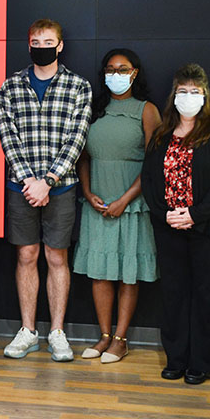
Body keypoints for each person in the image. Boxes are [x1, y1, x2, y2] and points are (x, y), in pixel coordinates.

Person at [0, 19, 92, 362]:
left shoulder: (78, 86)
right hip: (20, 187)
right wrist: (29, 181)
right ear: (28, 44)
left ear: (60, 45)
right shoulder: (10, 87)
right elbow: (7, 136)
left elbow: (77, 138)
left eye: (48, 41)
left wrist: (48, 181)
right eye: (36, 41)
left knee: (56, 257)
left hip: (62, 187)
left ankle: (57, 332)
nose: (42, 46)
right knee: (26, 256)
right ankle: (27, 331)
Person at [141, 63, 210, 385]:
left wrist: (194, 214)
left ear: (205, 95)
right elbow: (150, 179)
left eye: (194, 92)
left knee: (206, 295)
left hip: (209, 229)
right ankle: (177, 359)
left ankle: (201, 362)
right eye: (182, 91)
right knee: (174, 294)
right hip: (169, 228)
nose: (188, 97)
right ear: (174, 95)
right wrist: (164, 213)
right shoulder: (162, 134)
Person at [73, 49, 161, 363]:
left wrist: (125, 199)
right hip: (96, 202)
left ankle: (121, 339)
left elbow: (154, 163)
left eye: (122, 69)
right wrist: (87, 190)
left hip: (132, 203)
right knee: (100, 272)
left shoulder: (147, 110)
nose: (116, 74)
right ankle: (104, 336)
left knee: (127, 272)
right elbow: (82, 156)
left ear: (135, 72)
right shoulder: (93, 108)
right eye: (110, 68)